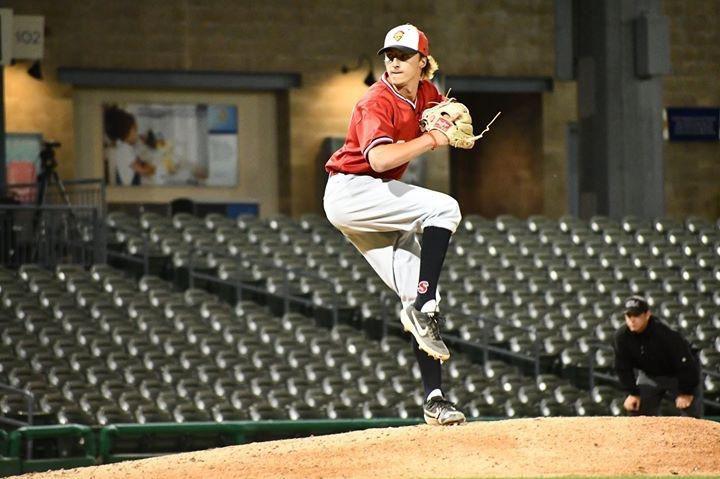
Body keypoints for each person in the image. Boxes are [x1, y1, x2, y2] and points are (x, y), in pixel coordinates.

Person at [323, 24, 468, 425]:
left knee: (418, 296)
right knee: (445, 209)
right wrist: (433, 140)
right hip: (353, 191)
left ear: (424, 62)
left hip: (377, 200)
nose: (394, 61)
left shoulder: (426, 93)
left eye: (404, 55)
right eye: (389, 54)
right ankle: (424, 303)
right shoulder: (375, 101)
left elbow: (445, 113)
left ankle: (434, 399)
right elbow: (380, 161)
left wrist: (451, 116)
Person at [613, 295, 703, 418]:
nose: (632, 320)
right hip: (650, 375)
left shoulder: (665, 333)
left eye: (637, 315)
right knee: (635, 408)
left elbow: (685, 362)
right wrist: (632, 392)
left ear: (647, 315)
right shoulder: (622, 337)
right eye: (629, 316)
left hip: (678, 374)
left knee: (690, 414)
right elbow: (622, 367)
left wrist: (686, 391)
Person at [104, 106, 156, 186]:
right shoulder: (124, 149)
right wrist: (155, 168)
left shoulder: (123, 147)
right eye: (135, 130)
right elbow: (144, 170)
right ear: (129, 131)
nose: (137, 134)